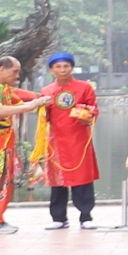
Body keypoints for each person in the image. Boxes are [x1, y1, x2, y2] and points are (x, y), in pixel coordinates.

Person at [31, 52, 101, 228]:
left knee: (82, 178)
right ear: (51, 70)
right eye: (58, 67)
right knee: (57, 181)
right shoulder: (46, 91)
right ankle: (59, 218)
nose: (63, 70)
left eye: (66, 66)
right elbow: (44, 117)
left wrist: (86, 116)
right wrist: (41, 108)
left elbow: (93, 111)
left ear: (72, 67)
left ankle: (86, 216)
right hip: (56, 141)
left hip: (79, 139)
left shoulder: (85, 87)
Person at [0, 56, 44, 232]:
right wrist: (30, 106)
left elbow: (20, 98)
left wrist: (43, 99)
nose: (17, 75)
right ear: (2, 69)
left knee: (4, 180)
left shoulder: (3, 89)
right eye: (15, 71)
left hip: (4, 141)